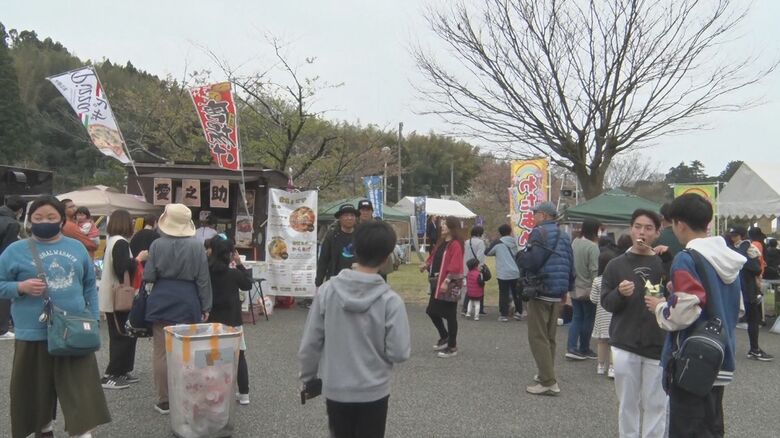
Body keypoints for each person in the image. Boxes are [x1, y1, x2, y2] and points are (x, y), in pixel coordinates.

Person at [0, 196, 111, 438]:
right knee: (36, 392)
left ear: (62, 219)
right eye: (38, 218)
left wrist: (91, 321)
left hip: (74, 331)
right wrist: (19, 287)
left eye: (51, 217)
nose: (44, 222)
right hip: (33, 333)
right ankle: (44, 429)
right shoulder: (15, 250)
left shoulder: (76, 247)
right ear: (29, 221)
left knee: (80, 392)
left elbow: (90, 287)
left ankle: (83, 433)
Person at [298, 220, 411, 438]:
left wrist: (308, 377)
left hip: (336, 389)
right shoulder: (390, 301)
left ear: (355, 250)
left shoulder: (327, 292)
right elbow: (399, 352)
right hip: (374, 390)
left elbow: (310, 343)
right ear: (387, 257)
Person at [647, 193, 745, 437]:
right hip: (720, 356)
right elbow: (738, 308)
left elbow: (682, 313)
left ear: (679, 224)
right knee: (711, 428)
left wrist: (660, 306)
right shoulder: (730, 259)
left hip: (692, 361)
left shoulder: (686, 258)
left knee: (687, 429)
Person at [601, 209, 667, 437]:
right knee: (627, 404)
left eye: (649, 228)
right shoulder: (615, 264)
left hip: (658, 343)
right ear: (631, 230)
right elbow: (606, 303)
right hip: (624, 343)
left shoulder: (664, 264)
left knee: (657, 405)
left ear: (657, 233)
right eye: (638, 226)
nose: (642, 232)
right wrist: (619, 292)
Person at [143, 203, 212, 414]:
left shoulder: (156, 245)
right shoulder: (196, 246)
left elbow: (149, 276)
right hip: (188, 298)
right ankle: (187, 394)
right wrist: (206, 304)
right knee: (188, 351)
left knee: (161, 352)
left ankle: (164, 399)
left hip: (162, 297)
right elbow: (203, 279)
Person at [517, 202, 574, 396]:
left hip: (540, 290)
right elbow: (570, 265)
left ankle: (548, 381)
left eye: (535, 214)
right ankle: (545, 373)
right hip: (557, 292)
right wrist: (567, 290)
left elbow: (532, 262)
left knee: (537, 336)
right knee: (550, 337)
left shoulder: (539, 233)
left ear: (543, 215)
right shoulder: (565, 236)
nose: (533, 217)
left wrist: (520, 257)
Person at [99, 209, 147, 390]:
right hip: (119, 295)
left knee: (124, 333)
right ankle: (111, 373)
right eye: (132, 221)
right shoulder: (120, 243)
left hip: (112, 293)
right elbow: (122, 268)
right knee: (122, 334)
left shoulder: (112, 241)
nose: (134, 224)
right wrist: (138, 259)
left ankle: (123, 370)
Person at [207, 237, 253, 405]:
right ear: (230, 254)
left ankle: (213, 390)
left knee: (211, 357)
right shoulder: (233, 274)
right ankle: (244, 393)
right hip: (233, 320)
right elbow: (248, 284)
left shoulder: (206, 272)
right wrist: (240, 263)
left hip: (211, 320)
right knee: (239, 356)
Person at [727, 226, 773, 361]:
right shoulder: (745, 246)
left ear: (741, 235)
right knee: (753, 319)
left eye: (734, 235)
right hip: (747, 289)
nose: (732, 237)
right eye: (732, 235)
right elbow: (756, 268)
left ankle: (753, 349)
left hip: (740, 288)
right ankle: (754, 350)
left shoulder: (738, 247)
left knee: (738, 319)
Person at [421, 216, 464, 358]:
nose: (442, 227)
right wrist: (426, 264)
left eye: (445, 225)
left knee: (450, 315)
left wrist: (447, 280)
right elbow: (434, 257)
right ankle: (444, 336)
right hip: (437, 282)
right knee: (431, 311)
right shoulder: (441, 243)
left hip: (450, 283)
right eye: (442, 225)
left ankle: (452, 346)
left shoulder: (455, 244)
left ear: (452, 228)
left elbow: (455, 265)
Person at [567, 218, 601, 360]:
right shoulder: (593, 247)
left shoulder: (574, 242)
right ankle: (584, 348)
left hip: (574, 286)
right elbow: (594, 270)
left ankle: (571, 347)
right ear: (595, 230)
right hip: (588, 288)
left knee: (577, 317)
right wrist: (598, 288)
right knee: (588, 318)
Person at [0, 195, 25, 341]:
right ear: (20, 210)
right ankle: (2, 329)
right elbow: (8, 250)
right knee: (3, 295)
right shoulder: (12, 224)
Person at [590, 248, 618, 378]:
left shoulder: (597, 280)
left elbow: (593, 299)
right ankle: (612, 367)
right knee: (613, 342)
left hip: (601, 315)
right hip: (614, 315)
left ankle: (600, 366)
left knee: (602, 341)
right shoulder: (618, 281)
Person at [485, 224, 522, 321]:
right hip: (516, 271)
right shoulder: (516, 242)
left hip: (503, 273)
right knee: (516, 293)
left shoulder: (498, 243)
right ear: (510, 232)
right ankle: (519, 312)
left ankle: (504, 315)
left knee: (503, 293)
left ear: (500, 233)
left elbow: (487, 252)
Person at [316, 204, 358, 287]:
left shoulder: (361, 236)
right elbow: (323, 261)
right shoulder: (331, 236)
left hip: (356, 282)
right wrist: (318, 283)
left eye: (352, 215)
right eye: (346, 215)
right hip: (335, 282)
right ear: (340, 218)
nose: (349, 218)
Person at [654, 203, 685, 279]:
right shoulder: (686, 236)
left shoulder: (656, 237)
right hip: (685, 277)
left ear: (662, 217)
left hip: (662, 279)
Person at [463, 226, 487, 316]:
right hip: (476, 269)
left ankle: (465, 308)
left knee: (470, 288)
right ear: (479, 233)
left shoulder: (466, 242)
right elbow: (480, 256)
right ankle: (480, 308)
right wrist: (480, 267)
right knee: (480, 287)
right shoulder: (480, 242)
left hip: (467, 268)